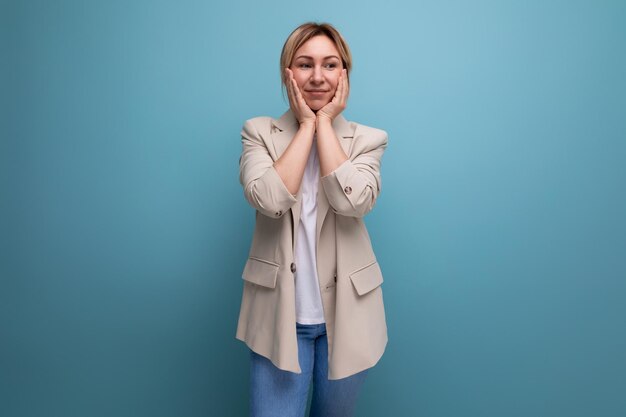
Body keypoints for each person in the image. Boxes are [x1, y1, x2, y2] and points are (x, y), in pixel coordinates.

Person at [235, 22, 389, 417]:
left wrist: (325, 126)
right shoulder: (258, 132)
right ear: (288, 72)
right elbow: (268, 199)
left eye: (330, 65)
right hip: (278, 317)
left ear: (344, 74)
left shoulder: (368, 139)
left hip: (348, 318)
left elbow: (351, 202)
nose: (318, 77)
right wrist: (306, 125)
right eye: (305, 64)